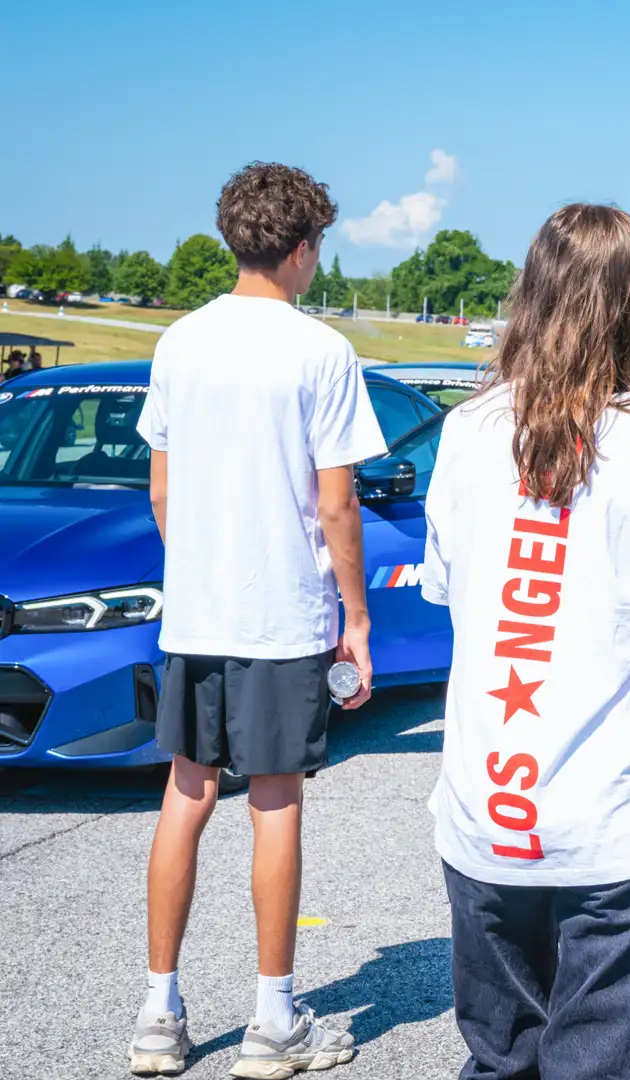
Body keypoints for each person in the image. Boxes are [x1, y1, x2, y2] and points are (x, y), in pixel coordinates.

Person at [421, 203, 630, 1080]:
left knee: (499, 1059)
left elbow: (452, 593)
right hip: (617, 827)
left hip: (489, 814)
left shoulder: (465, 431)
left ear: (531, 299)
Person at [130, 162, 381, 1078]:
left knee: (185, 794)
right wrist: (354, 616)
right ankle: (273, 1022)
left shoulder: (178, 342)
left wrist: (198, 568)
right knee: (275, 801)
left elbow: (161, 488)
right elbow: (338, 504)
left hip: (196, 613)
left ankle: (159, 1011)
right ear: (304, 248)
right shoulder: (320, 351)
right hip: (280, 617)